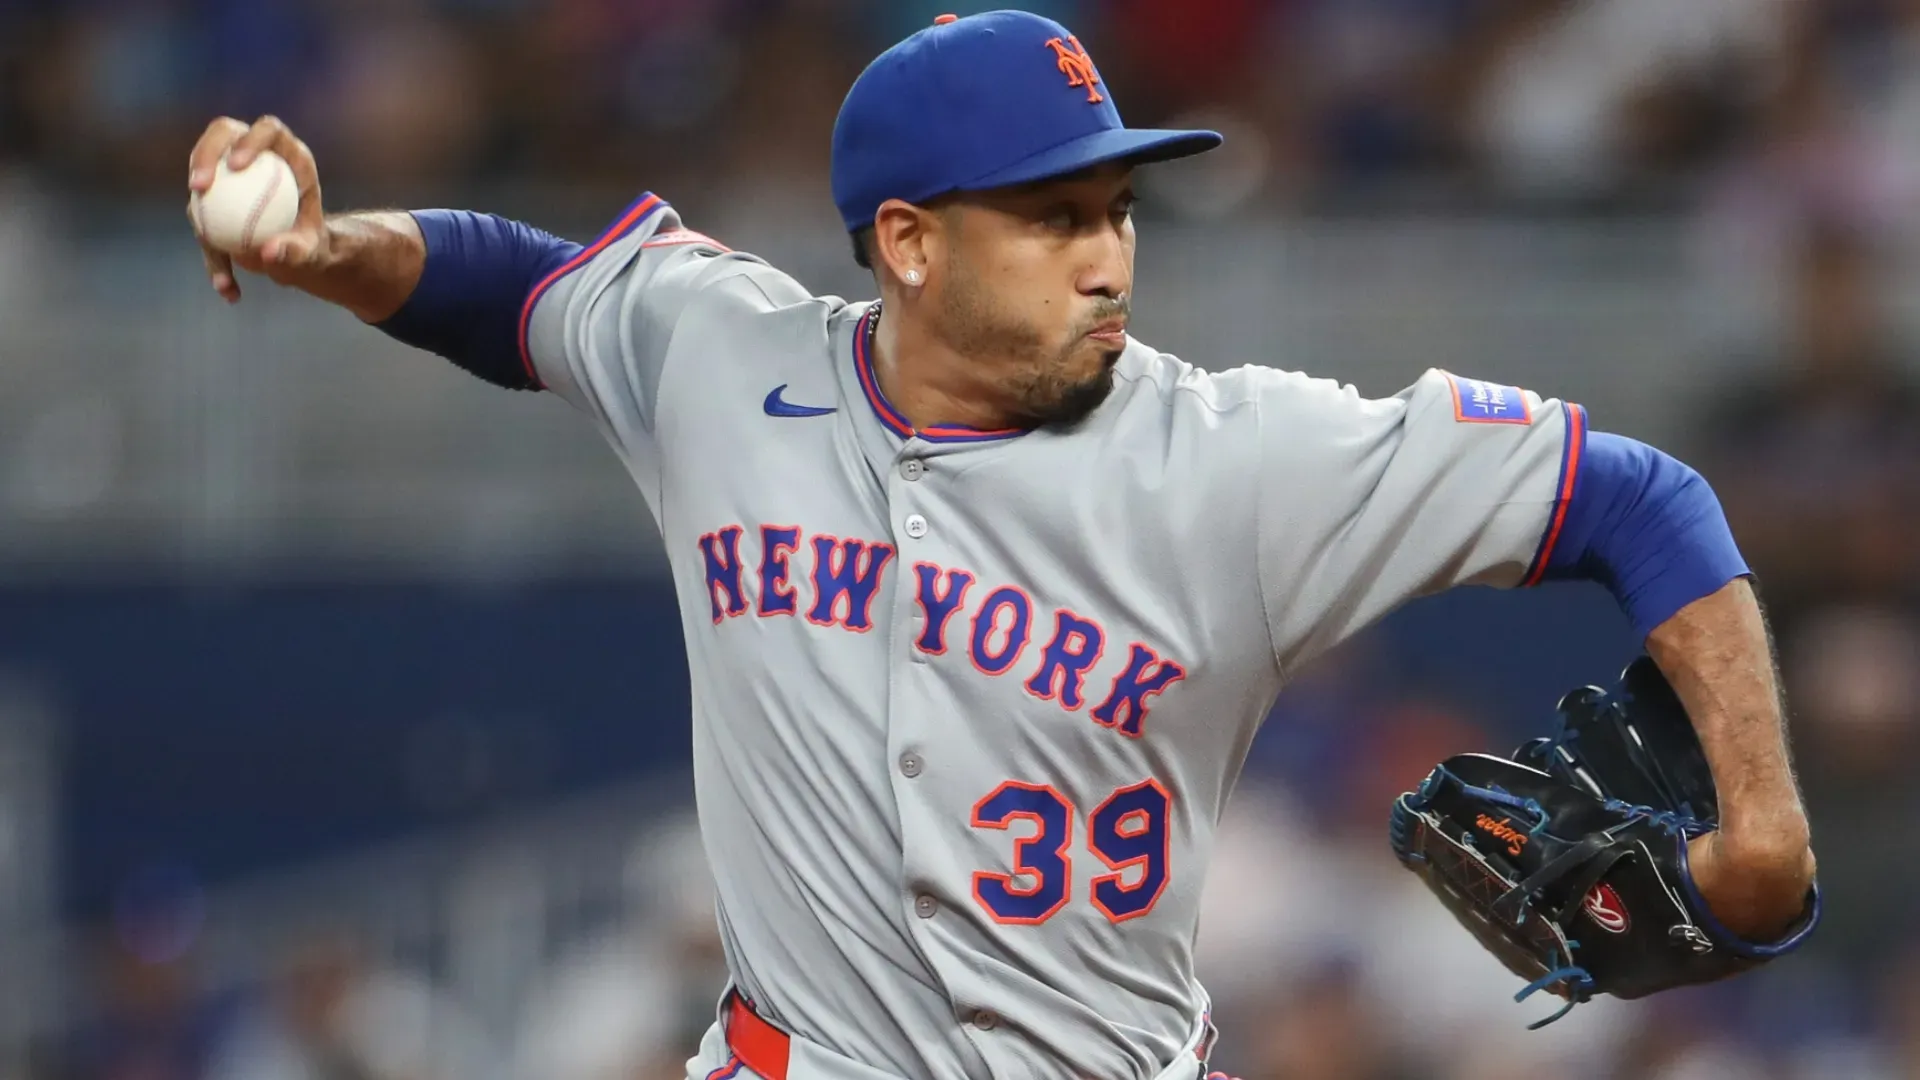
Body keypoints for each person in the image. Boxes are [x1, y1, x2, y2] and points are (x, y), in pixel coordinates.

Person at [184, 11, 1817, 1080]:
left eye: (1116, 210)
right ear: (905, 241)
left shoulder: (1244, 453)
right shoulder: (719, 352)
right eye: (1050, 218)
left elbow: (1641, 498)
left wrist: (1761, 830)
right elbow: (499, 285)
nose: (1107, 258)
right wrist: (328, 248)